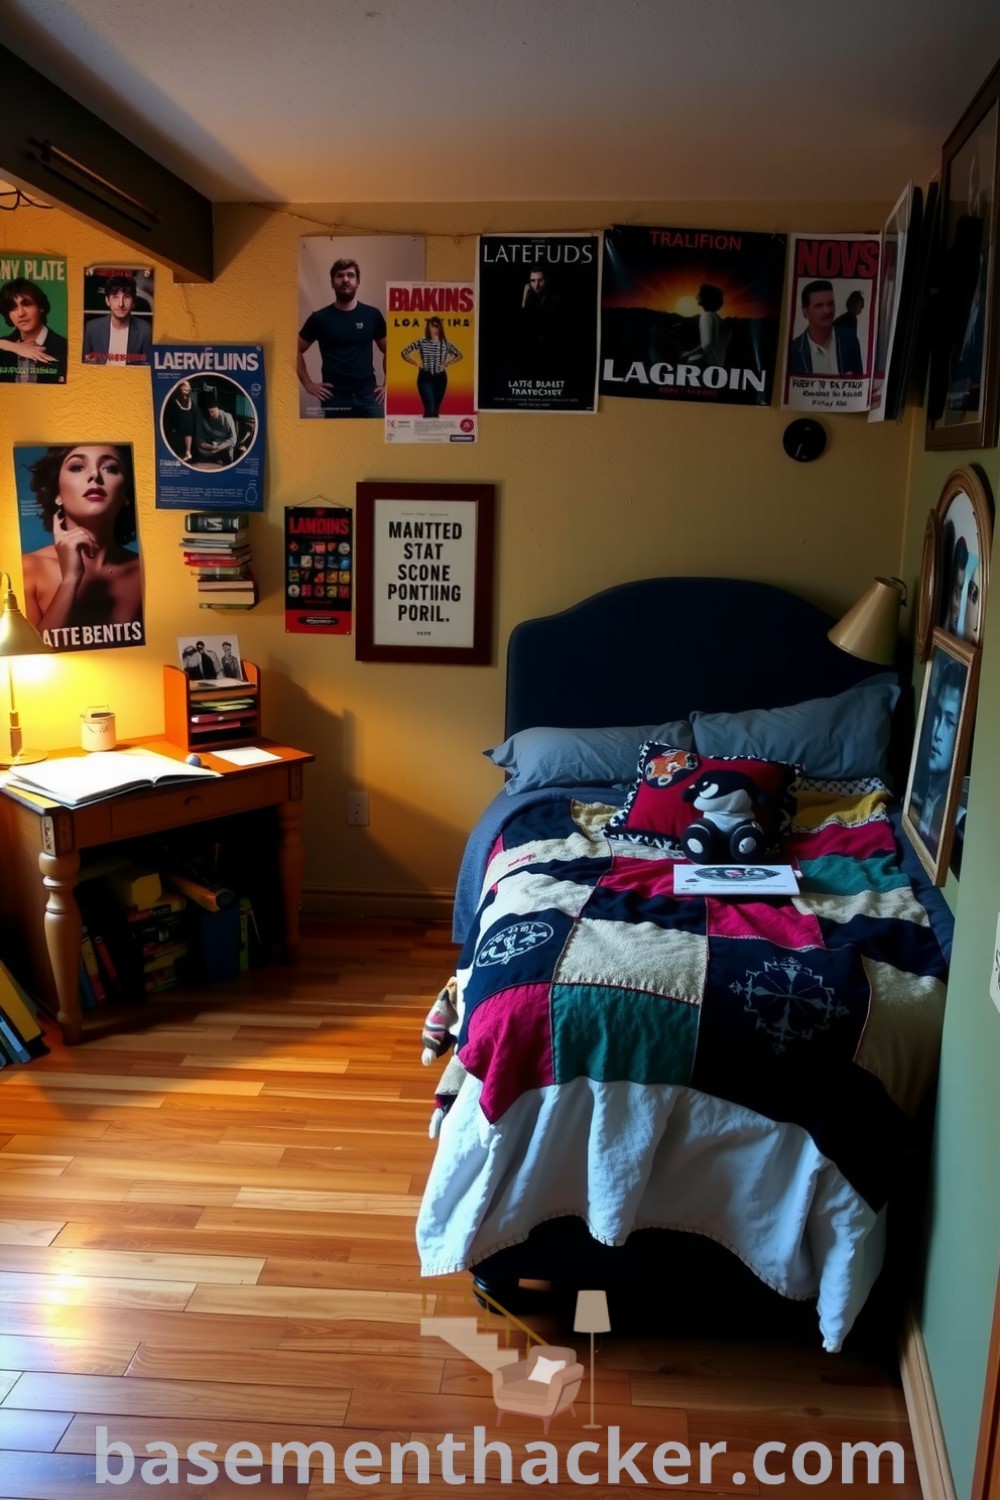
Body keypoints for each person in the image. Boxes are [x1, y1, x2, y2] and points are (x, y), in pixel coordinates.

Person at [20, 445, 142, 638]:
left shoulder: (145, 571)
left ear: (126, 494)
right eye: (77, 467)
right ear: (57, 494)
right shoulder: (27, 569)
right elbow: (32, 653)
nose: (95, 475)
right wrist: (70, 579)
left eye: (110, 468)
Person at [296, 257, 387, 417]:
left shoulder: (372, 315)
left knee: (376, 433)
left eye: (350, 275)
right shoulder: (319, 318)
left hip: (369, 397)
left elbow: (390, 350)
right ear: (332, 283)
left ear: (358, 282)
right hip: (335, 399)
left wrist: (388, 384)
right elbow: (294, 349)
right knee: (335, 434)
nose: (345, 279)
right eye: (340, 275)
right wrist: (308, 384)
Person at [909, 654, 965, 861]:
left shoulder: (956, 813)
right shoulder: (920, 795)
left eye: (949, 722)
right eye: (938, 716)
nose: (937, 733)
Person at [788, 279, 863, 376]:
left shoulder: (850, 340)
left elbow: (859, 377)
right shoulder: (794, 349)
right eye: (819, 306)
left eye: (830, 304)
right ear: (805, 311)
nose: (827, 311)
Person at [0, 277, 68, 383]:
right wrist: (12, 346)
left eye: (27, 304)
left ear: (41, 307)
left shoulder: (65, 347)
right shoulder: (4, 347)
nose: (21, 313)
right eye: (13, 307)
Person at [81, 273, 152, 365]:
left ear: (134, 302)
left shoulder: (145, 330)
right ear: (107, 301)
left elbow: (147, 366)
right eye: (115, 297)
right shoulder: (91, 328)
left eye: (126, 297)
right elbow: (84, 363)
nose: (121, 304)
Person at [400, 316, 463, 418]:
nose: (435, 329)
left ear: (440, 328)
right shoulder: (422, 342)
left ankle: (433, 428)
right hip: (425, 377)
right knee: (430, 408)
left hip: (441, 377)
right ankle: (425, 427)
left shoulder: (445, 343)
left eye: (437, 326)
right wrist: (415, 363)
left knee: (436, 409)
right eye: (432, 326)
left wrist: (447, 363)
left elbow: (459, 355)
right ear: (428, 327)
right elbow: (404, 353)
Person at [519, 267, 565, 375]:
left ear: (546, 281)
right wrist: (524, 299)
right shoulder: (529, 301)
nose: (536, 285)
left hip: (551, 355)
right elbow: (521, 325)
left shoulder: (557, 300)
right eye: (533, 281)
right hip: (530, 357)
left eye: (540, 281)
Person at [683, 283, 730, 366]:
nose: (696, 297)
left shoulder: (706, 316)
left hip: (704, 364)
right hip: (718, 365)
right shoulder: (719, 319)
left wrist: (689, 354)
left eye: (699, 294)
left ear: (706, 297)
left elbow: (706, 344)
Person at [165, 380, 198, 461]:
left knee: (188, 433)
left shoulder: (190, 400)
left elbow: (194, 413)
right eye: (184, 386)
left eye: (188, 387)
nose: (187, 388)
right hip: (177, 425)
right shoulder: (174, 400)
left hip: (188, 424)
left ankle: (188, 451)